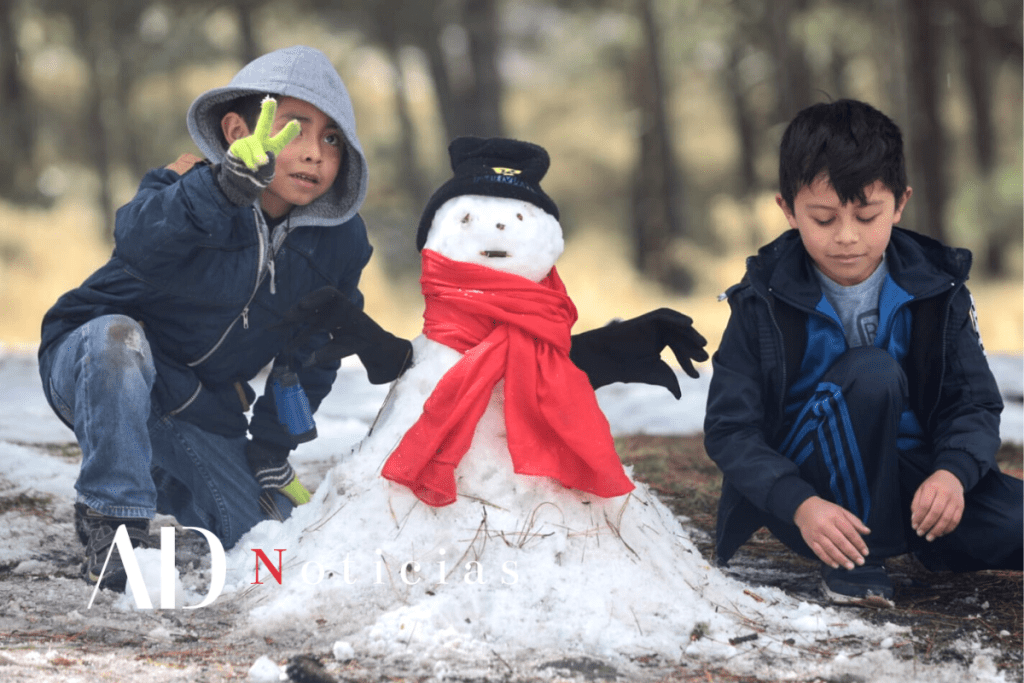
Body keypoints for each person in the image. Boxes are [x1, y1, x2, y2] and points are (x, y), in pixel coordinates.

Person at [37, 45, 410, 591]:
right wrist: (220, 192)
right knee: (118, 339)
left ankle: (161, 472)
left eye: (332, 139)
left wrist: (273, 445)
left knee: (270, 537)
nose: (313, 154)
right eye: (293, 129)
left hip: (196, 406)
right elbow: (137, 241)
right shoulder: (185, 188)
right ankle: (112, 518)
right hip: (96, 365)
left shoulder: (340, 242)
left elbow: (312, 352)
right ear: (238, 130)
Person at [704, 98, 1023, 605]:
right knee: (872, 371)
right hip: (813, 495)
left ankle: (917, 536)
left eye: (867, 215)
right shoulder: (761, 300)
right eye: (824, 219)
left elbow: (974, 403)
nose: (847, 237)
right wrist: (800, 504)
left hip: (912, 475)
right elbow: (730, 429)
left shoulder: (938, 288)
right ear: (788, 210)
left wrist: (952, 475)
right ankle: (856, 559)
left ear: (899, 204)